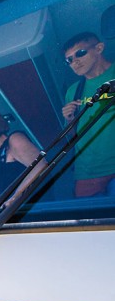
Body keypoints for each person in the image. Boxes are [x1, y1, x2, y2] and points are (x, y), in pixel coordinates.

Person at [61, 32, 115, 197]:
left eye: (80, 53)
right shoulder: (73, 91)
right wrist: (69, 119)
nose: (74, 61)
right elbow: (72, 135)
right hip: (86, 174)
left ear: (99, 48)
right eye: (69, 59)